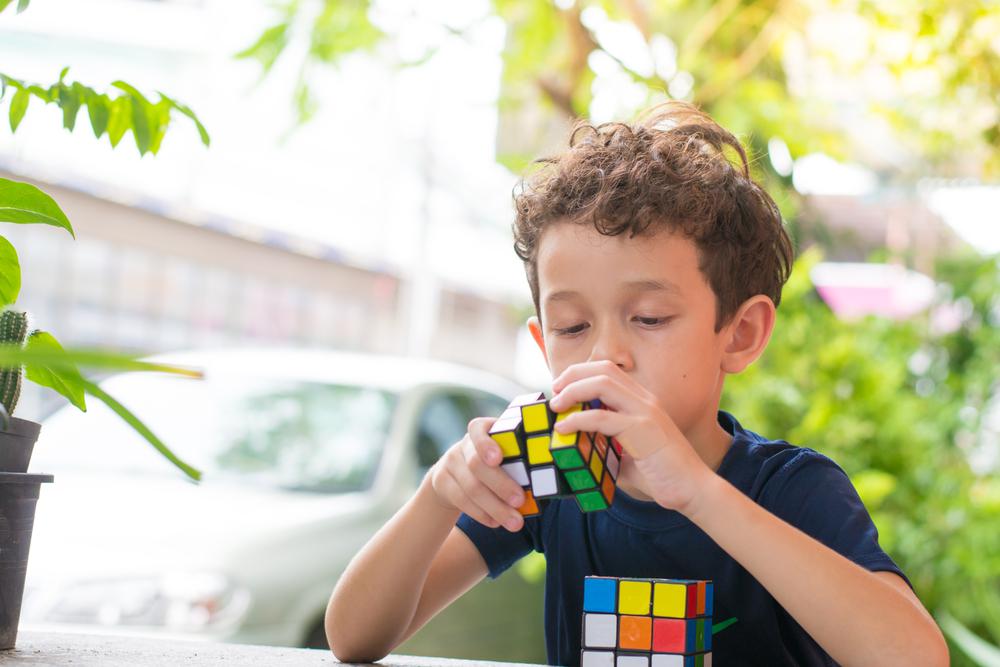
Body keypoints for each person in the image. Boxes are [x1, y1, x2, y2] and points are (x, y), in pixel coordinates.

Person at [324, 101, 948, 666]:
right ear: (543, 345)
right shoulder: (555, 487)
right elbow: (355, 637)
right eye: (572, 326)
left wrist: (698, 492)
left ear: (740, 333)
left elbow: (915, 658)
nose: (606, 355)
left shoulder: (788, 490)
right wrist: (439, 492)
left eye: (648, 318)